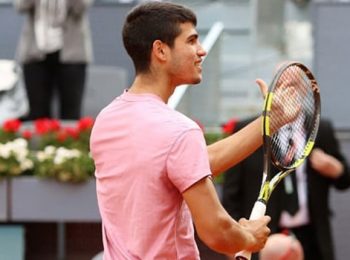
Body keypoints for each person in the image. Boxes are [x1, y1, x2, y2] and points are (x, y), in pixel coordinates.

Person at [88, 2, 301, 259]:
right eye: (191, 41)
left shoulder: (107, 120)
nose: (201, 51)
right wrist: (249, 237)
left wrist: (270, 121)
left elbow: (187, 163)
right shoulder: (179, 131)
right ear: (160, 51)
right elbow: (217, 231)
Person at [222, 116, 350, 260]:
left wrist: (335, 169)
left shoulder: (321, 128)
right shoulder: (248, 129)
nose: (290, 94)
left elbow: (344, 180)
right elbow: (230, 194)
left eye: (296, 92)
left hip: (312, 238)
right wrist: (235, 241)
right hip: (265, 235)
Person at [14, 0, 94, 120]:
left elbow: (81, 6)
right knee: (37, 114)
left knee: (71, 113)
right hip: (35, 51)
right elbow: (21, 6)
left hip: (72, 52)